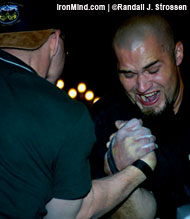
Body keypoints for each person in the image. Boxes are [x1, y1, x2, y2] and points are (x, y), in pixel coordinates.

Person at [0, 2, 157, 218]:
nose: (142, 86)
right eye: (128, 74)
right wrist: (140, 169)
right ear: (54, 41)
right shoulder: (65, 114)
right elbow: (70, 214)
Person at [90, 14, 190, 218]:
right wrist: (118, 173)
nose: (142, 87)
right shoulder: (103, 121)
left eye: (152, 70)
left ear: (177, 54)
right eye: (128, 74)